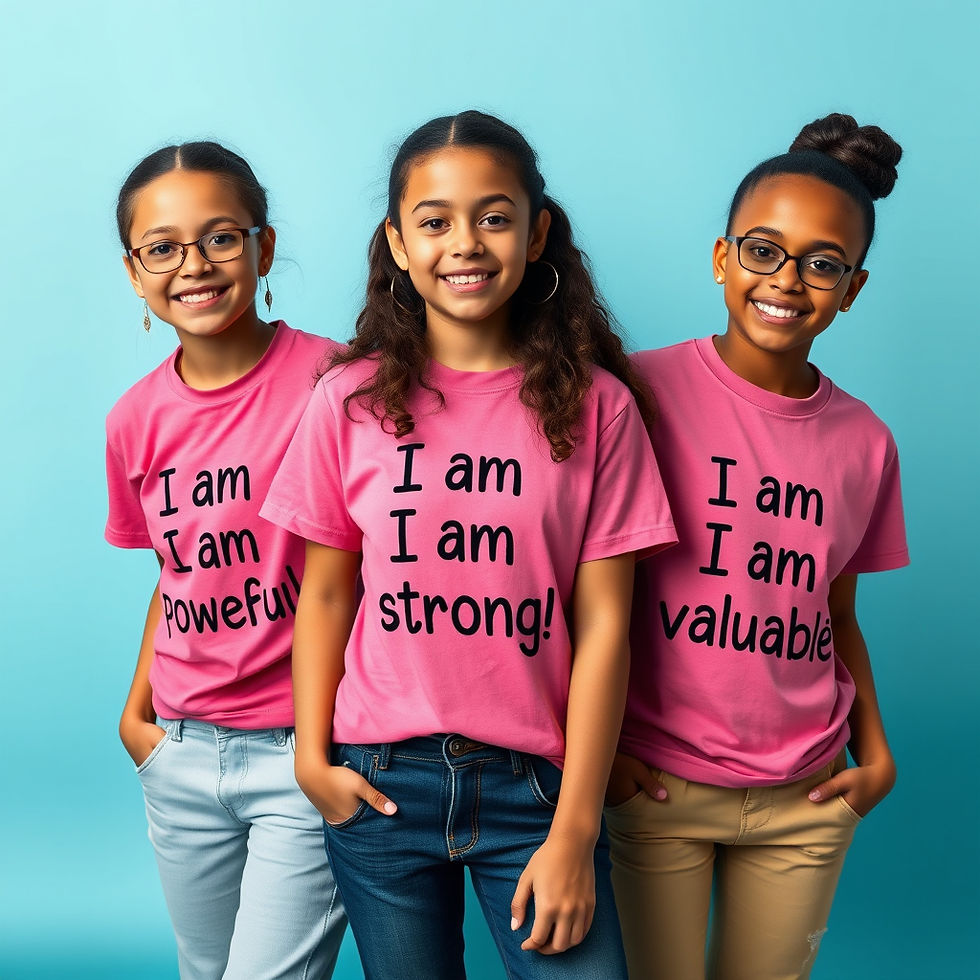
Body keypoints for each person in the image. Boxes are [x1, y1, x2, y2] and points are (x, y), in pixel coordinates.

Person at [260, 110, 676, 980]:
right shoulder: (348, 402)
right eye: (435, 220)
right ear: (399, 244)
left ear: (537, 235)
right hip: (378, 783)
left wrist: (576, 828)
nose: (466, 243)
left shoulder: (600, 408)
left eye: (494, 216)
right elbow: (328, 593)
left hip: (538, 789)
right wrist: (310, 757)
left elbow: (606, 628)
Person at [606, 113, 909, 980]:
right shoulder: (637, 394)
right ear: (721, 258)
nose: (788, 280)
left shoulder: (866, 442)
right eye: (763, 250)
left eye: (823, 264)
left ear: (851, 288)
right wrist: (605, 757)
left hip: (808, 793)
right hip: (658, 784)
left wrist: (877, 751)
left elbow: (836, 613)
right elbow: (583, 590)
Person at [104, 141, 347, 980]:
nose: (193, 266)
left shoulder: (337, 382)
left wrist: (325, 748)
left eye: (220, 238)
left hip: (303, 753)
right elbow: (172, 580)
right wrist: (138, 723)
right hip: (179, 750)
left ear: (263, 248)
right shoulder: (134, 419)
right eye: (161, 248)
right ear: (136, 274)